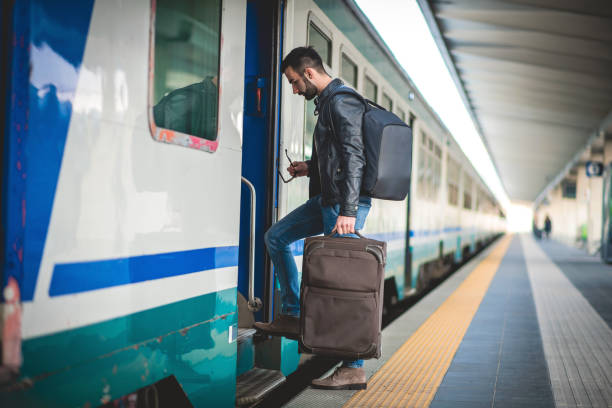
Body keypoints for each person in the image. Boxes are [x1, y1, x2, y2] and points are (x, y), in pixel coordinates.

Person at [253, 46, 371, 390]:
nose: (292, 89)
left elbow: (354, 156)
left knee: (346, 284)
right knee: (276, 237)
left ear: (308, 74)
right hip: (327, 199)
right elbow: (336, 156)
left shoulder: (341, 101)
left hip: (341, 205)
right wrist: (310, 167)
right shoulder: (328, 103)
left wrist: (348, 211)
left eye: (293, 82)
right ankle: (292, 314)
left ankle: (353, 366)